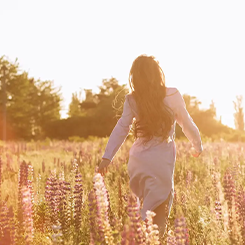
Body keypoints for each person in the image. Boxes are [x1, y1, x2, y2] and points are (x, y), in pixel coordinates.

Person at [98, 54, 203, 236]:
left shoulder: (132, 99)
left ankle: (136, 236)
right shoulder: (172, 94)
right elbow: (187, 123)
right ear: (158, 73)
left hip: (138, 161)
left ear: (134, 77)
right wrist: (197, 145)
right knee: (159, 208)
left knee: (142, 207)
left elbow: (121, 128)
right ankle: (149, 239)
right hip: (161, 161)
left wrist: (107, 157)